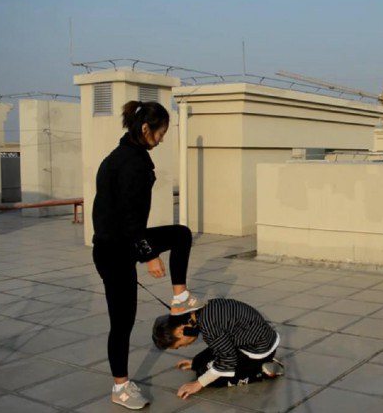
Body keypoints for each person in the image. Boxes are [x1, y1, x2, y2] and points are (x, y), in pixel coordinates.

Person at [92, 100, 204, 410]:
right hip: (114, 251)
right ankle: (120, 387)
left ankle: (180, 297)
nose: (162, 139)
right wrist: (149, 254)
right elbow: (129, 218)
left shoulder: (123, 155)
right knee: (122, 322)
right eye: (161, 133)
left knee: (180, 235)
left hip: (122, 242)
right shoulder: (131, 162)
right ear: (145, 129)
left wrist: (143, 248)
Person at [152, 298, 284, 399]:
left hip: (258, 351)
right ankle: (200, 364)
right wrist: (196, 362)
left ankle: (260, 371)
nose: (185, 346)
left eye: (180, 344)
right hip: (251, 340)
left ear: (180, 331)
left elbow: (228, 360)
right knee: (199, 362)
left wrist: (198, 384)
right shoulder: (201, 310)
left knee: (206, 376)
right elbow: (219, 343)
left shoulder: (209, 328)